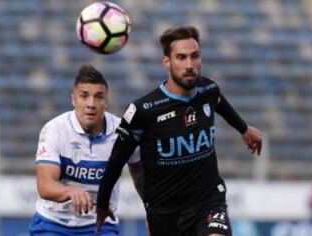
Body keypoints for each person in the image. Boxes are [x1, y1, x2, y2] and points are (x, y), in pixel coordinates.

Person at [96, 26, 262, 236]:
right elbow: (116, 160)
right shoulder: (143, 110)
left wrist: (244, 129)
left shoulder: (208, 89)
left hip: (208, 201)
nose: (189, 65)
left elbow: (219, 102)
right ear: (167, 62)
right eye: (181, 58)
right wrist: (102, 203)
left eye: (195, 56)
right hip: (165, 212)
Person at [28, 64, 142, 236]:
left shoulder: (123, 132)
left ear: (106, 101)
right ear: (73, 99)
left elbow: (141, 174)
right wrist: (70, 191)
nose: (91, 104)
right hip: (53, 223)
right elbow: (45, 185)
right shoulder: (55, 129)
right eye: (84, 96)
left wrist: (153, 211)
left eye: (98, 97)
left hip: (100, 224)